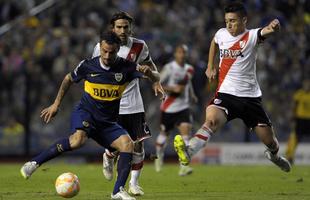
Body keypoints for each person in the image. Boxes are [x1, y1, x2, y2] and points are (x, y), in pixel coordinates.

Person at [20, 31, 159, 200]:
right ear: (100, 47)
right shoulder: (87, 65)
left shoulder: (127, 67)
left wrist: (151, 74)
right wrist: (56, 104)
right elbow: (68, 79)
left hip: (107, 122)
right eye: (104, 51)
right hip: (86, 113)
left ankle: (117, 192)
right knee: (77, 140)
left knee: (127, 145)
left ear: (117, 50)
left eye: (112, 52)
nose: (107, 55)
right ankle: (33, 163)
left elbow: (153, 76)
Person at [174, 2, 291, 173]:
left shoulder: (252, 36)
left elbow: (266, 31)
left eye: (233, 21)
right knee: (211, 121)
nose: (229, 25)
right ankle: (189, 151)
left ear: (244, 20)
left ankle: (274, 156)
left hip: (250, 99)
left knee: (270, 142)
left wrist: (274, 27)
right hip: (226, 94)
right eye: (227, 21)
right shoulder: (221, 34)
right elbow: (214, 42)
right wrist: (210, 65)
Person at [92, 11, 165, 196]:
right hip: (112, 104)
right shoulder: (101, 47)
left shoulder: (140, 46)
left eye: (126, 27)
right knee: (118, 147)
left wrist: (155, 80)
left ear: (130, 27)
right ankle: (108, 155)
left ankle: (133, 183)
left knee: (138, 144)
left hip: (134, 103)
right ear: (112, 28)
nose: (123, 30)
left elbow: (150, 64)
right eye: (119, 27)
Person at [154, 44, 197, 176]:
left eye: (184, 53)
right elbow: (157, 83)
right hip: (168, 108)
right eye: (179, 52)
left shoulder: (189, 69)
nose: (182, 55)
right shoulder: (169, 68)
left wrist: (192, 94)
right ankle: (158, 157)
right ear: (175, 54)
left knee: (186, 137)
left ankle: (183, 167)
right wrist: (173, 89)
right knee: (163, 136)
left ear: (186, 54)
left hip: (183, 107)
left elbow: (187, 84)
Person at [285, 78, 310, 164]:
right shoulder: (299, 94)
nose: (307, 86)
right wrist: (293, 116)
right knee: (295, 138)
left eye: (308, 84)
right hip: (300, 119)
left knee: (295, 137)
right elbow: (294, 106)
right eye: (305, 84)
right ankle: (290, 157)